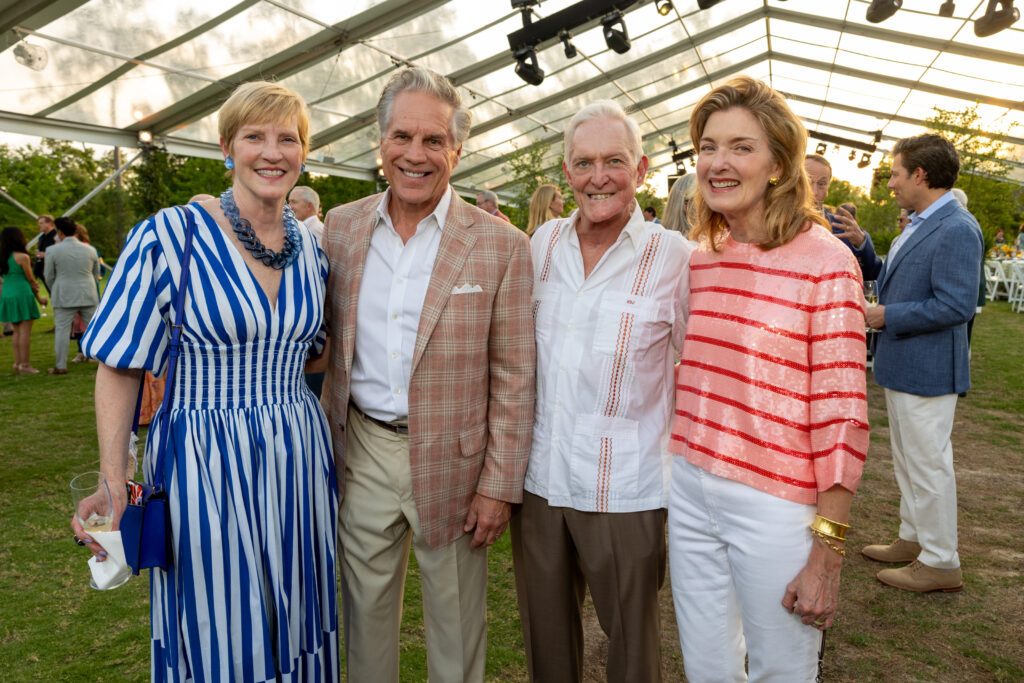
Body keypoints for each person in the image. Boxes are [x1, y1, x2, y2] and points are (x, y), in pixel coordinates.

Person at [72, 81, 339, 681]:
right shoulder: (168, 237)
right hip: (202, 457)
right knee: (218, 621)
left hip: (298, 454)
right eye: (254, 137)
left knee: (300, 611)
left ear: (304, 152)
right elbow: (118, 366)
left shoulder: (314, 255)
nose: (272, 152)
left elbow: (316, 355)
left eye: (287, 139)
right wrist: (113, 483)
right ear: (226, 147)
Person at [320, 67, 535, 681]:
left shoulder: (500, 245)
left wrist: (499, 484)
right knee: (361, 619)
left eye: (433, 140)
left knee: (457, 623)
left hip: (457, 464)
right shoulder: (341, 228)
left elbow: (516, 375)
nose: (416, 155)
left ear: (456, 151)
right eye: (402, 137)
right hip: (361, 449)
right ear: (379, 141)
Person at [668, 76, 869, 681]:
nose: (718, 163)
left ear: (779, 164)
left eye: (740, 147)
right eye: (707, 146)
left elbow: (843, 415)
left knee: (781, 670)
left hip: (777, 507)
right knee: (706, 667)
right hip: (690, 489)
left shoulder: (827, 262)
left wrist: (827, 551)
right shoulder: (702, 257)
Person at [512, 99, 693, 682]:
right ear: (566, 172)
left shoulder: (676, 259)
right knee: (546, 642)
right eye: (583, 162)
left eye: (613, 161)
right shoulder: (540, 246)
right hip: (540, 479)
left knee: (632, 647)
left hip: (627, 487)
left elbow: (696, 369)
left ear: (641, 170)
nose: (598, 178)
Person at [862, 133, 983, 593]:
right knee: (909, 462)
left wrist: (886, 314)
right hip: (906, 365)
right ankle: (913, 539)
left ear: (920, 174)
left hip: (929, 371)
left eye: (896, 173)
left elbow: (956, 306)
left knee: (929, 465)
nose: (891, 183)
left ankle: (940, 561)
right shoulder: (922, 220)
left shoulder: (955, 226)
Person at [805, 154, 882, 279]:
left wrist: (862, 244)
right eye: (808, 182)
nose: (814, 192)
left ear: (828, 188)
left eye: (822, 184)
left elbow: (872, 277)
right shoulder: (776, 224)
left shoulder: (843, 229)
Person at [43, 217, 100, 375]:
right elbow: (95, 274)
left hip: (64, 295)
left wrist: (57, 287)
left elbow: (48, 276)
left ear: (59, 232)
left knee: (62, 330)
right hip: (88, 292)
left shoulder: (52, 250)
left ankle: (61, 366)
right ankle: (104, 362)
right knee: (95, 329)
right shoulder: (90, 249)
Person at [1, 226, 48, 374]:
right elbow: (31, 280)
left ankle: (17, 363)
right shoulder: (22, 257)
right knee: (25, 332)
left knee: (16, 332)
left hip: (8, 294)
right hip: (22, 294)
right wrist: (40, 298)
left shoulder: (2, 256)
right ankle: (25, 365)